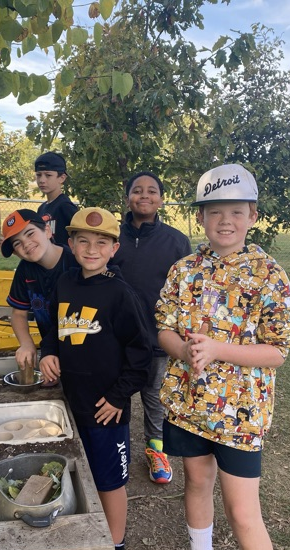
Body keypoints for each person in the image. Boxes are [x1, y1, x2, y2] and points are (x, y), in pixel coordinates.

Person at [155, 163, 290, 550]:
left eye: (236, 211)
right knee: (197, 484)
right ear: (200, 216)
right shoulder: (183, 271)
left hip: (241, 415)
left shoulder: (269, 274)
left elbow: (278, 350)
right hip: (187, 406)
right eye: (215, 211)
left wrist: (218, 349)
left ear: (252, 215)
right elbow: (163, 328)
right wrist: (182, 350)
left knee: (242, 512)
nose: (225, 221)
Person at [39, 207, 151, 550]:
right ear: (70, 244)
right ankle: (79, 533)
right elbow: (52, 330)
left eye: (101, 243)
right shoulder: (65, 282)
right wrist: (47, 353)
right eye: (83, 241)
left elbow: (141, 354)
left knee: (109, 481)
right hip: (67, 402)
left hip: (105, 409)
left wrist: (118, 397)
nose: (91, 249)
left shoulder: (120, 295)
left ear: (114, 249)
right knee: (73, 472)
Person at [109, 171, 192, 484]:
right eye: (137, 190)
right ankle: (115, 448)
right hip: (116, 336)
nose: (144, 196)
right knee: (116, 392)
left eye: (152, 191)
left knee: (155, 398)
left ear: (161, 198)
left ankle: (156, 450)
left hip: (157, 337)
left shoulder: (176, 241)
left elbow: (187, 292)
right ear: (127, 196)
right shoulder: (112, 235)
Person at [0, 209, 78, 370]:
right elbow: (18, 313)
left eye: (30, 233)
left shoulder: (75, 263)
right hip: (51, 351)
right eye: (17, 243)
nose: (26, 244)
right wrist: (27, 344)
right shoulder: (25, 270)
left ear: (47, 231)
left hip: (81, 349)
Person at [34, 151, 78, 246]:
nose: (42, 180)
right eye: (38, 175)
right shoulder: (41, 208)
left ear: (62, 178)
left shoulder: (65, 207)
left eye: (48, 175)